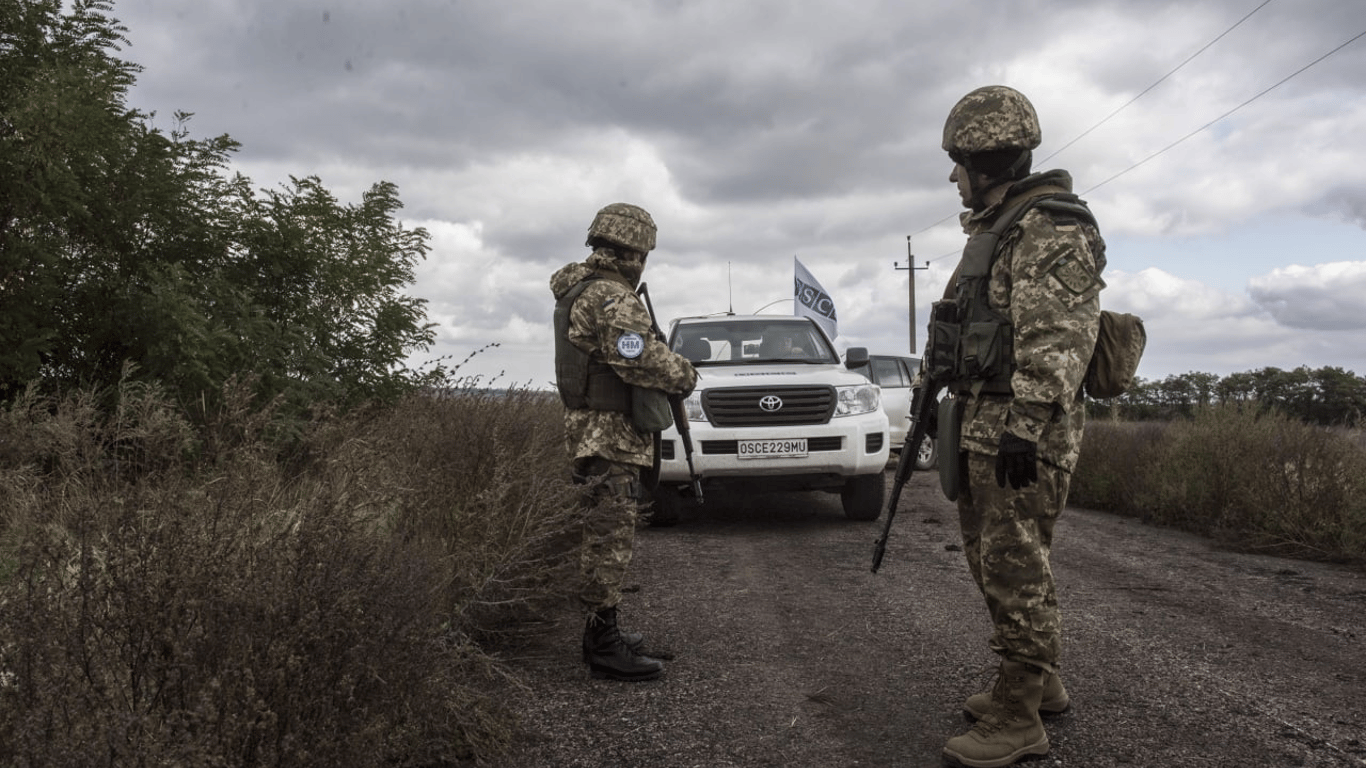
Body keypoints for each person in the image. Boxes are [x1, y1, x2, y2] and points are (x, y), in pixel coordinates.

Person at [931, 86, 1106, 767]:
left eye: (959, 163)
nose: (953, 177)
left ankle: (1019, 714)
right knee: (999, 559)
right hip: (988, 423)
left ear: (988, 159)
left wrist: (1023, 429)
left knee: (1014, 566)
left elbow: (1058, 339)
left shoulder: (1051, 226)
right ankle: (1041, 683)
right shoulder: (999, 228)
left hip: (1020, 432)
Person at [549, 202, 698, 682]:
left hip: (593, 434)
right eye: (642, 254)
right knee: (608, 542)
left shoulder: (579, 291)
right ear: (631, 252)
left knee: (604, 536)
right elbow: (634, 357)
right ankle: (603, 647)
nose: (642, 264)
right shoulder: (611, 298)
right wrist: (683, 373)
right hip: (607, 437)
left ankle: (603, 632)